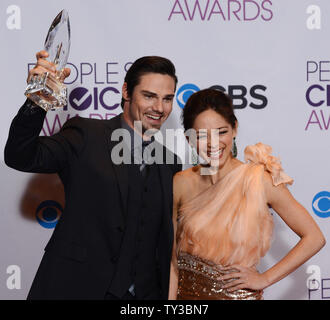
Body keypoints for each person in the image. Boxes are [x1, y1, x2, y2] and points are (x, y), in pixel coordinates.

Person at [4, 50, 182, 300]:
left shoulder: (171, 163)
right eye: (149, 96)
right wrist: (38, 98)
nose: (159, 108)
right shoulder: (86, 134)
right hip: (76, 287)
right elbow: (20, 155)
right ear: (126, 92)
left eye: (167, 99)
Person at [168, 88, 326, 300]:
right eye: (202, 136)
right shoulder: (180, 183)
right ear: (189, 139)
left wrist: (265, 278)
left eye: (221, 132)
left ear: (234, 129)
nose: (213, 143)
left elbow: (314, 237)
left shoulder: (259, 179)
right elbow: (172, 263)